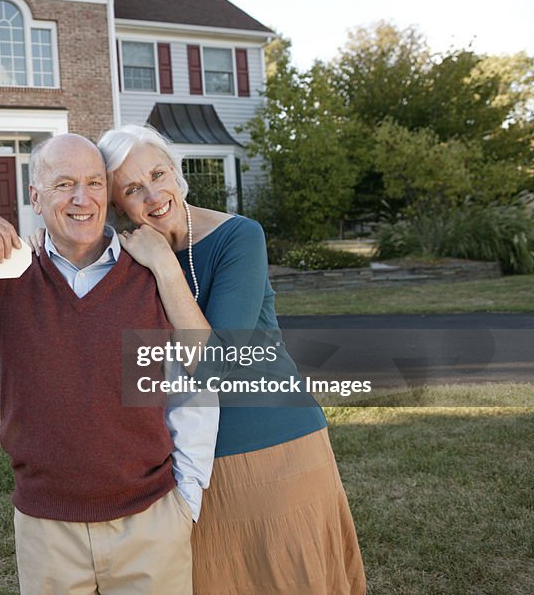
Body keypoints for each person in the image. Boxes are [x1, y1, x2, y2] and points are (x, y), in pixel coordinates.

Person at [0, 133, 218, 595]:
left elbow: (192, 389)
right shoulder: (2, 275)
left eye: (95, 183)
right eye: (64, 184)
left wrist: (186, 500)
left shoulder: (150, 275)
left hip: (151, 521)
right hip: (46, 527)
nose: (83, 198)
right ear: (35, 197)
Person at [95, 123, 367, 595]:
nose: (154, 194)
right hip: (189, 458)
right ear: (119, 206)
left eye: (159, 174)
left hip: (272, 444)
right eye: (134, 189)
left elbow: (217, 366)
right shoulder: (126, 255)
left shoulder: (239, 237)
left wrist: (162, 263)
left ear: (177, 173)